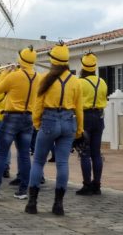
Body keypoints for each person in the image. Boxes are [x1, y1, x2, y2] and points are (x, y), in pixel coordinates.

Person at [25, 42, 84, 216]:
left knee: (38, 161)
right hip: (68, 122)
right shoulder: (75, 81)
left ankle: (32, 203)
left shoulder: (45, 78)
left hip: (49, 121)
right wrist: (79, 131)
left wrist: (37, 123)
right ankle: (58, 205)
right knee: (62, 163)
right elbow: (79, 109)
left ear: (52, 60)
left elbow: (38, 104)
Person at [0, 46, 40, 200]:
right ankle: (22, 191)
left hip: (11, 117)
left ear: (21, 59)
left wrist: (6, 72)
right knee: (24, 155)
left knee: (2, 153)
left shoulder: (14, 76)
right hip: (28, 118)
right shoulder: (38, 77)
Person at [75, 52, 108, 196]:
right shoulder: (102, 82)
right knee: (96, 153)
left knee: (84, 153)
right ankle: (97, 185)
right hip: (99, 117)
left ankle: (87, 185)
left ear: (83, 67)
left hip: (85, 117)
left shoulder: (80, 82)